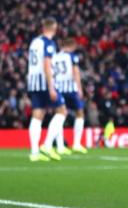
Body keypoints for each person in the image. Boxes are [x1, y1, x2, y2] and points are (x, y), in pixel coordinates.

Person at [26, 18, 64, 162]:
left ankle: (34, 153)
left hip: (33, 82)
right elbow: (47, 64)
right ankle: (47, 145)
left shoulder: (34, 42)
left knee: (37, 115)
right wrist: (51, 86)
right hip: (44, 82)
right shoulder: (48, 43)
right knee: (62, 111)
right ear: (54, 28)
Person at [51, 36, 88, 155]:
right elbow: (75, 72)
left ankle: (60, 146)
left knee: (60, 115)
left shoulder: (54, 56)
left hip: (58, 89)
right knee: (80, 113)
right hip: (70, 89)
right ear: (72, 46)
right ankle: (76, 143)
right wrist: (79, 89)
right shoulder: (72, 57)